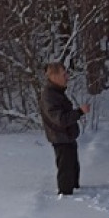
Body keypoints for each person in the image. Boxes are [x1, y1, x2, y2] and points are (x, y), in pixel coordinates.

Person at [39, 61, 90, 196]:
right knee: (65, 171)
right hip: (61, 138)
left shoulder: (57, 92)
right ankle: (66, 200)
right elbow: (59, 119)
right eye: (64, 74)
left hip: (67, 137)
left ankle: (75, 191)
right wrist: (79, 112)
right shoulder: (49, 95)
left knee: (73, 169)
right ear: (54, 76)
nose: (67, 76)